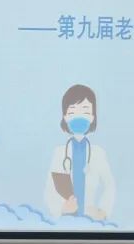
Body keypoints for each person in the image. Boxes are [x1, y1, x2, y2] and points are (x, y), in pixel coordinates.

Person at [44, 84, 116, 220]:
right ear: (65, 117)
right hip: (66, 220)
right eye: (72, 112)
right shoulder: (59, 153)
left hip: (92, 221)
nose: (79, 117)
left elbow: (109, 186)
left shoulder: (98, 153)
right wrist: (61, 208)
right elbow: (50, 190)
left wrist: (103, 211)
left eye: (85, 112)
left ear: (92, 117)